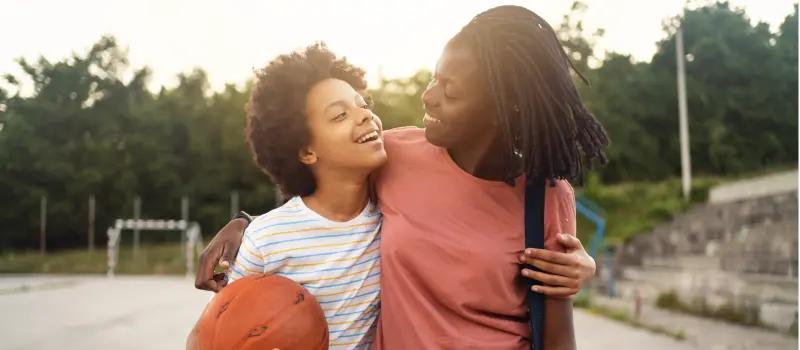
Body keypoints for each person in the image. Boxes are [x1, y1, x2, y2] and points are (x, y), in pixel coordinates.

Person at [195, 5, 610, 350]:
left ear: (504, 111)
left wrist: (582, 270)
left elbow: (558, 338)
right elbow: (327, 190)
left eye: (450, 90)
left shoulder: (547, 198)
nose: (428, 95)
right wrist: (246, 226)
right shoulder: (395, 155)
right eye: (435, 76)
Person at [188, 43, 386, 349]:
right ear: (307, 151)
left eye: (362, 104)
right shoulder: (267, 239)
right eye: (339, 115)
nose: (364, 116)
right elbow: (207, 337)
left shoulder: (393, 213)